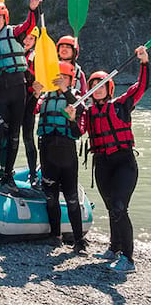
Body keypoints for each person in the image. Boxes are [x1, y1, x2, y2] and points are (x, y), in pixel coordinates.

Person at [80, 46, 149, 273]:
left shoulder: (121, 105)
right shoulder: (87, 113)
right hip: (102, 163)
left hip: (123, 163)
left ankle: (128, 259)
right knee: (111, 207)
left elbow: (141, 87)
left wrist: (144, 63)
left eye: (101, 86)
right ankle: (114, 248)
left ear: (108, 88)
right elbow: (77, 131)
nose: (96, 90)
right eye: (93, 87)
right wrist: (70, 115)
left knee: (120, 206)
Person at [0, 0, 40, 189]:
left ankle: (8, 175)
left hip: (18, 89)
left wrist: (32, 9)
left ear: (5, 18)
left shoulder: (14, 33)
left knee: (14, 134)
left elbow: (30, 24)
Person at [32, 62, 86, 253]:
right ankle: (55, 235)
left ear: (71, 80)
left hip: (66, 151)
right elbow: (31, 109)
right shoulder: (45, 96)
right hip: (47, 150)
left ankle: (79, 240)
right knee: (51, 197)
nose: (59, 81)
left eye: (63, 78)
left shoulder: (75, 96)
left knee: (71, 198)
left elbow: (81, 110)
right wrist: (35, 94)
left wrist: (65, 91)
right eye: (57, 77)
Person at [22, 26, 40, 187]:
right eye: (26, 37)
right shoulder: (13, 52)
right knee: (7, 137)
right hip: (13, 100)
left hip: (29, 101)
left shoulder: (36, 57)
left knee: (28, 138)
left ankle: (33, 173)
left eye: (31, 39)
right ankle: (2, 170)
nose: (27, 41)